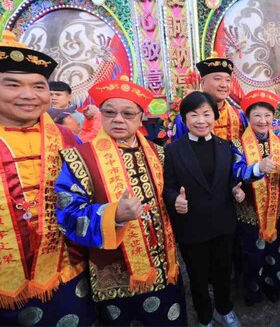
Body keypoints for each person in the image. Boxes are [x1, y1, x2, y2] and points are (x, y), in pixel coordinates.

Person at [55, 76, 187, 326]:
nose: (118, 119)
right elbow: (67, 213)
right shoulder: (79, 158)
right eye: (110, 112)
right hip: (115, 270)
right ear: (101, 114)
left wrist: (177, 203)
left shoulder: (158, 153)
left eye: (127, 113)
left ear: (140, 117)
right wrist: (113, 214)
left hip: (163, 263)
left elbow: (167, 196)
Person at [0, 31, 96, 325]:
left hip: (66, 266)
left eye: (38, 86)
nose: (28, 95)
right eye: (13, 85)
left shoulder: (67, 137)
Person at [164, 91, 245, 327]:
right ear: (184, 119)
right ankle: (204, 316)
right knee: (197, 276)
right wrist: (174, 201)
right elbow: (168, 187)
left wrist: (236, 191)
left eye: (207, 114)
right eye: (194, 115)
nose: (201, 120)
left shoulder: (225, 146)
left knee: (222, 272)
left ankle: (224, 308)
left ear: (215, 117)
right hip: (192, 225)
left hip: (223, 222)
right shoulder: (173, 150)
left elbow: (231, 179)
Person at [231, 90, 280, 306]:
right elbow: (236, 171)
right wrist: (257, 168)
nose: (263, 120)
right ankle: (253, 291)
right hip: (249, 210)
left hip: (275, 208)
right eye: (257, 115)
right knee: (252, 253)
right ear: (248, 118)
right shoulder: (238, 144)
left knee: (273, 250)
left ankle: (273, 286)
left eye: (267, 115)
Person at [171, 53, 248, 141]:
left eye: (228, 80)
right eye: (217, 79)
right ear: (203, 83)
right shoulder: (185, 118)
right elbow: (177, 150)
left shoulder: (239, 116)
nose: (224, 85)